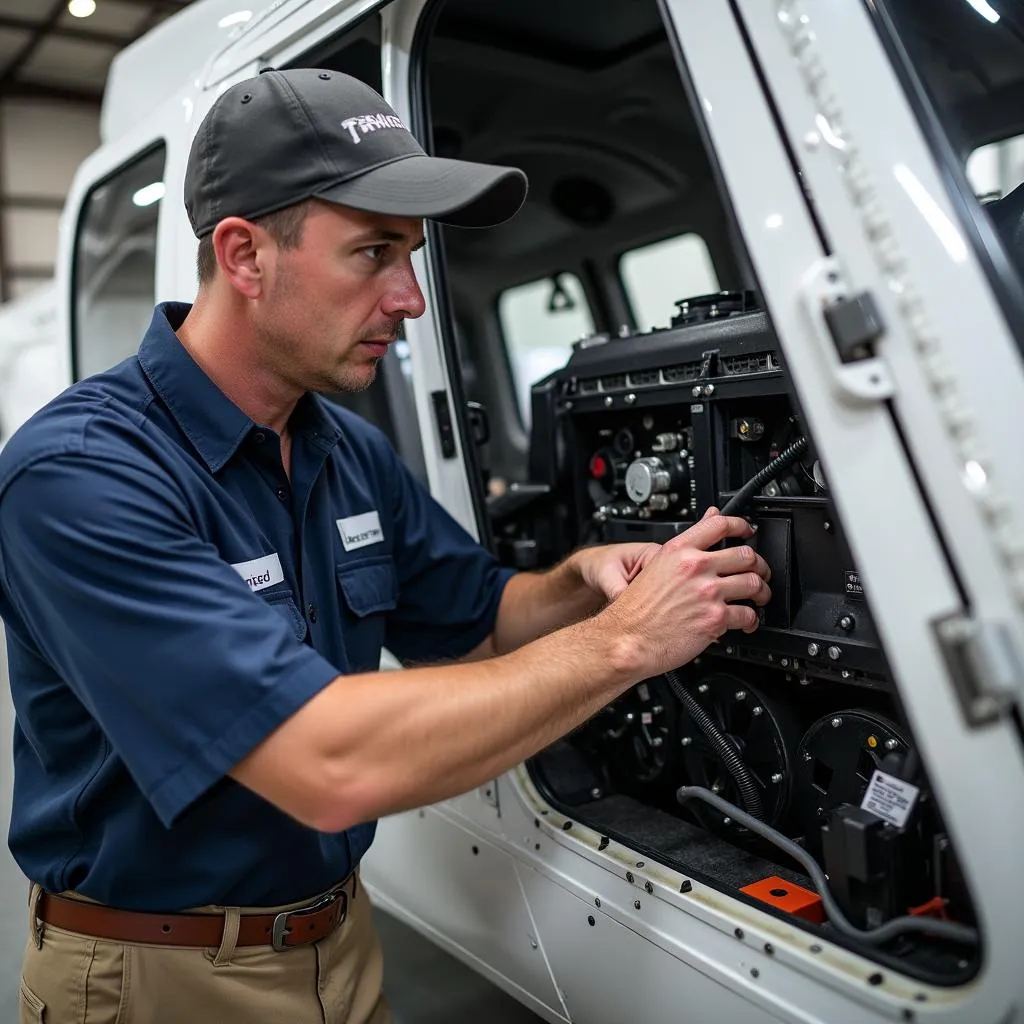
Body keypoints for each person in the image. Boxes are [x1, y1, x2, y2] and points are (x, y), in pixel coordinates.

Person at [0, 69, 771, 1024]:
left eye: (411, 255)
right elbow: (326, 767)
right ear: (244, 254)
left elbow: (479, 622)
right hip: (155, 978)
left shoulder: (342, 448)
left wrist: (585, 585)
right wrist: (626, 644)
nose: (409, 299)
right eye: (372, 252)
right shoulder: (78, 474)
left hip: (339, 942)